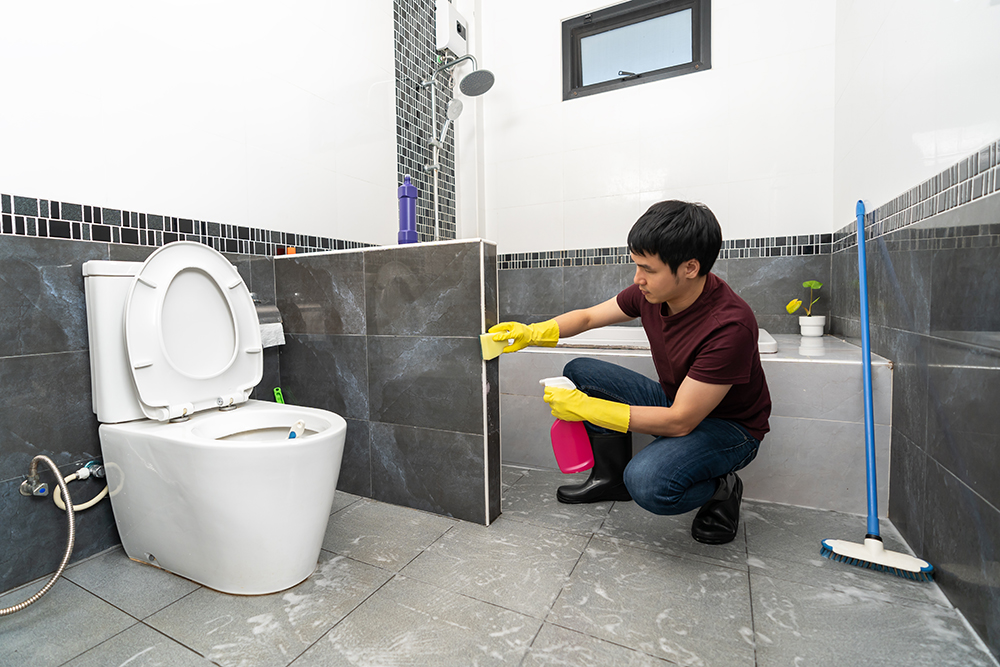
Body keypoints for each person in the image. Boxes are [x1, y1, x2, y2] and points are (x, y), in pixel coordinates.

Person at [489, 200, 771, 545]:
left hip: (729, 428)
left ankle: (723, 488)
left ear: (690, 268)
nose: (637, 279)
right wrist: (533, 332)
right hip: (676, 401)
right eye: (636, 266)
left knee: (648, 483)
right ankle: (610, 479)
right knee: (581, 370)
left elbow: (681, 421)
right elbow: (590, 317)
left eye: (647, 269)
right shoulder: (651, 295)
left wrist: (587, 409)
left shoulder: (729, 326)